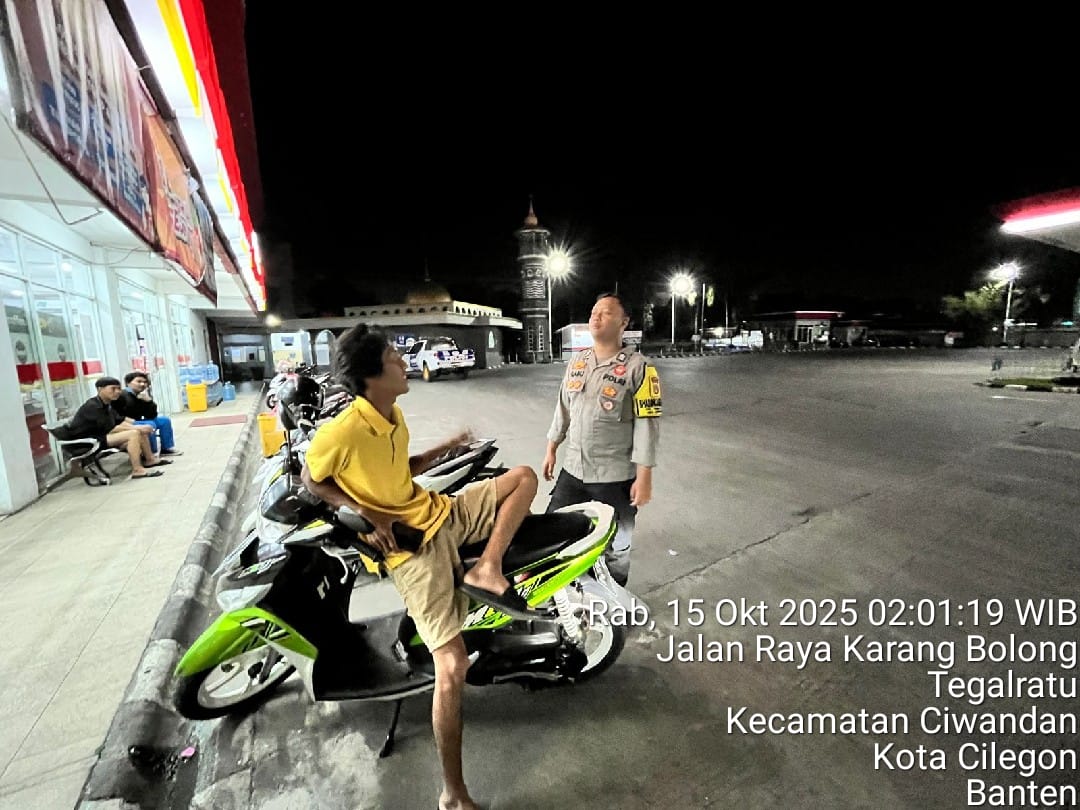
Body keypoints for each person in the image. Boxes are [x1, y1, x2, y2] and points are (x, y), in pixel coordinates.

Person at [299, 324, 537, 810]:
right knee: (452, 664)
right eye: (394, 356)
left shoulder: (393, 413)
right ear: (371, 373)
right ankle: (453, 793)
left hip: (440, 511)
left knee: (524, 478)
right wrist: (365, 511)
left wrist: (447, 447)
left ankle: (487, 567)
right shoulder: (342, 430)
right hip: (413, 550)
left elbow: (397, 470)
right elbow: (311, 479)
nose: (404, 361)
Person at [542, 292, 661, 586]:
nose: (596, 316)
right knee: (551, 533)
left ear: (624, 322)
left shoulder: (640, 368)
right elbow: (563, 408)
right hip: (573, 471)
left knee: (618, 544)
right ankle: (560, 592)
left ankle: (615, 594)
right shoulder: (578, 362)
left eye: (606, 312)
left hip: (615, 477)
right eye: (594, 311)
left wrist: (644, 476)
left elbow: (647, 424)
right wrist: (551, 448)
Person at [67, 377, 171, 479]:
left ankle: (150, 459)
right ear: (100, 389)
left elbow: (119, 420)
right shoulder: (93, 406)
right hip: (88, 441)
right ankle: (137, 470)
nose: (117, 392)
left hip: (102, 436)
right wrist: (138, 428)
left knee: (140, 431)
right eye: (113, 388)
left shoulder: (107, 405)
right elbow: (110, 428)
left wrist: (139, 426)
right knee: (134, 433)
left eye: (119, 388)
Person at [115, 372, 182, 455]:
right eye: (139, 381)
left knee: (164, 421)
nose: (142, 384)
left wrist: (149, 401)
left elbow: (152, 415)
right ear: (128, 383)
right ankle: (151, 452)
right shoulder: (122, 395)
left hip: (139, 420)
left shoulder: (140, 395)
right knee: (150, 424)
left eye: (145, 382)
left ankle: (166, 448)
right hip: (126, 423)